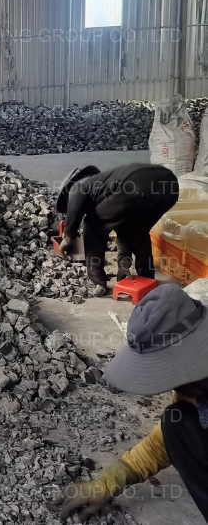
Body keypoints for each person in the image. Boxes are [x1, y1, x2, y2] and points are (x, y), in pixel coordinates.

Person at [59, 285, 208, 522]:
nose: (172, 386)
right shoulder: (194, 386)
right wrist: (111, 481)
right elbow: (167, 441)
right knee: (177, 423)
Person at [57, 163, 178, 296]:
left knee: (92, 225)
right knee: (139, 230)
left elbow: (75, 206)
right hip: (170, 186)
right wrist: (123, 262)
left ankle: (96, 281)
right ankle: (147, 277)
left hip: (136, 182)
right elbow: (124, 230)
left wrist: (68, 237)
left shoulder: (78, 185)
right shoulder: (106, 186)